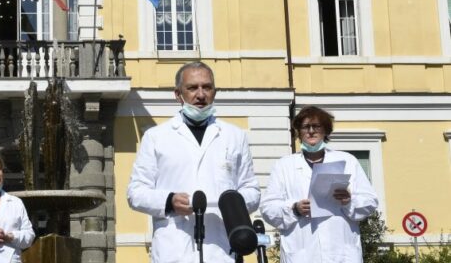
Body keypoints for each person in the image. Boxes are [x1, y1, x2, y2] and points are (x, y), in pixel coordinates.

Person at [127, 61, 260, 262]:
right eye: (192, 88)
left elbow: (252, 191)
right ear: (178, 94)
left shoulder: (234, 136)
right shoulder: (156, 137)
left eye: (207, 87)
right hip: (174, 248)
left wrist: (230, 204)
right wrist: (169, 201)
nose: (200, 94)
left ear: (215, 92)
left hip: (221, 248)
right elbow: (135, 193)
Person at [260, 106, 379, 263]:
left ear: (325, 131)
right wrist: (294, 209)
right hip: (302, 253)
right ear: (299, 132)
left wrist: (349, 201)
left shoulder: (348, 161)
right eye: (305, 127)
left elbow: (370, 201)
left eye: (316, 126)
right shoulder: (284, 165)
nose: (311, 131)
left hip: (341, 253)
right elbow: (268, 208)